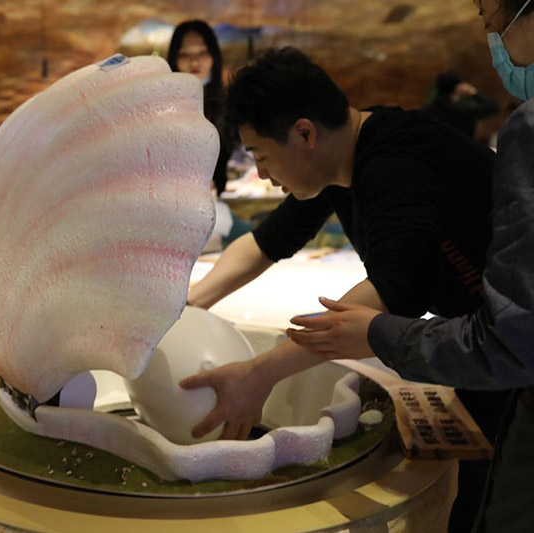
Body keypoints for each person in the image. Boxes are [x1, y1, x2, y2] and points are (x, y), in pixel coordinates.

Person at [180, 47, 506, 531]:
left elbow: (392, 295)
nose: (264, 176)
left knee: (490, 506)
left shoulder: (396, 162)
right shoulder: (341, 160)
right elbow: (267, 243)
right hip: (486, 341)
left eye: (263, 157)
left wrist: (259, 374)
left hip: (513, 346)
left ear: (305, 133)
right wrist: (189, 305)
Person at [286, 1, 534, 530]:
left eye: (493, 23)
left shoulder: (523, 134)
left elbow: (510, 339)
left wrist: (380, 335)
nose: (494, 39)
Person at [167, 20, 232, 198]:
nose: (194, 61)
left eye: (202, 52)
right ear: (174, 58)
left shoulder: (230, 104)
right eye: (184, 54)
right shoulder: (164, 108)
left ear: (214, 55)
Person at [422, 71, 499, 139]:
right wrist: (474, 93)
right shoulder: (462, 110)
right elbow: (492, 107)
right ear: (457, 88)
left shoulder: (426, 111)